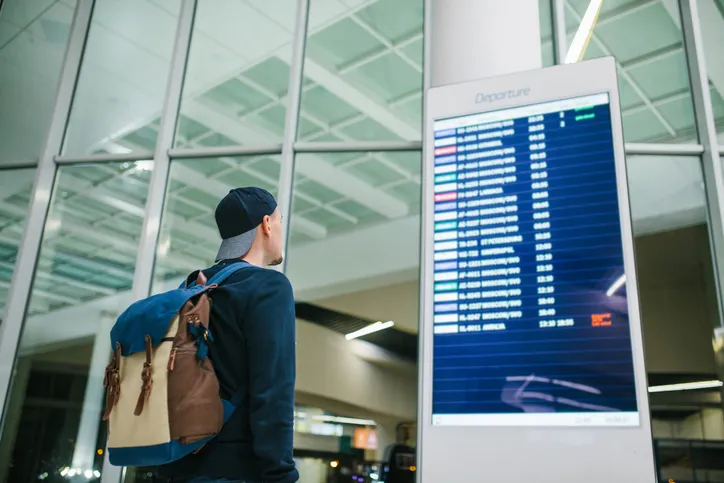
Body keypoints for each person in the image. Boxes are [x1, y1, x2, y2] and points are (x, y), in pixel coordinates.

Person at [155, 187, 299, 483]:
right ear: (267, 224)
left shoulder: (193, 287)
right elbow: (272, 391)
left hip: (175, 467)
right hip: (233, 471)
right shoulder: (269, 287)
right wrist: (281, 473)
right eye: (280, 220)